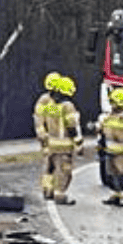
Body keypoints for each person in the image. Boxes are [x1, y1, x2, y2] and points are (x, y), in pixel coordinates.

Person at [35, 74, 82, 205]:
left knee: (49, 169)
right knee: (63, 171)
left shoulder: (50, 105)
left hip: (51, 144)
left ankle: (48, 191)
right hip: (64, 146)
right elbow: (72, 127)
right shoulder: (68, 106)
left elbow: (40, 120)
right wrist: (78, 142)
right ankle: (59, 195)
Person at [99, 85, 123, 206]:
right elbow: (105, 129)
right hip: (110, 150)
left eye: (114, 102)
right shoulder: (111, 115)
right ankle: (115, 195)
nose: (112, 105)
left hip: (122, 152)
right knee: (111, 174)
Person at [33, 71, 62, 199]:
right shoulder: (44, 101)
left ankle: (54, 188)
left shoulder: (59, 101)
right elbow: (38, 118)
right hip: (48, 137)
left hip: (58, 138)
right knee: (49, 165)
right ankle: (47, 189)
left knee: (57, 164)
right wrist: (42, 133)